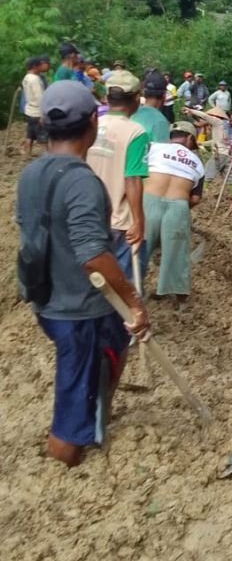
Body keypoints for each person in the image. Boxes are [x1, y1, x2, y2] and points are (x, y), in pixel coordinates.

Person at [15, 81, 150, 467]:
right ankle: (68, 450)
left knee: (111, 348)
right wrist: (134, 303)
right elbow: (93, 256)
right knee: (74, 394)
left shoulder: (31, 174)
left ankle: (93, 412)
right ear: (94, 120)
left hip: (47, 298)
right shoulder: (82, 182)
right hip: (78, 311)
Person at [85, 70, 150, 280]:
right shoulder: (136, 133)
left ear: (107, 97)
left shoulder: (92, 126)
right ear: (136, 99)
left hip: (89, 217)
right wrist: (138, 222)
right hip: (120, 222)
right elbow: (132, 179)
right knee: (125, 285)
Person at [144, 121, 205, 305]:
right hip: (178, 206)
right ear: (190, 138)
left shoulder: (153, 148)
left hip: (149, 200)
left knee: (139, 247)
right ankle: (177, 294)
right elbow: (196, 198)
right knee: (176, 252)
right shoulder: (197, 162)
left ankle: (130, 287)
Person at [20, 55, 50, 156]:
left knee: (30, 133)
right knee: (43, 135)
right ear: (34, 66)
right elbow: (40, 98)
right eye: (39, 65)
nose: (41, 67)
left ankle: (27, 152)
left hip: (29, 110)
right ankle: (46, 154)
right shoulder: (35, 79)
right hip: (37, 112)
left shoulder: (26, 77)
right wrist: (43, 114)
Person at [133, 71, 171, 144]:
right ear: (164, 96)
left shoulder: (132, 114)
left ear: (144, 93)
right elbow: (162, 149)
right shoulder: (161, 122)